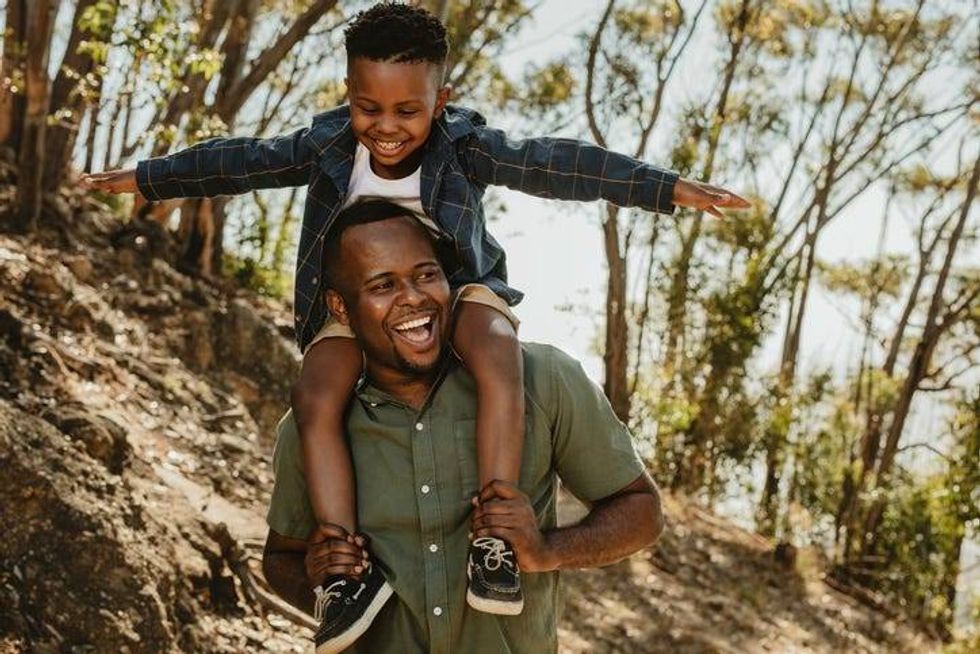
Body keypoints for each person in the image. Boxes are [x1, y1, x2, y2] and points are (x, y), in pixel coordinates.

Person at [82, 3, 747, 649]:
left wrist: (662, 188)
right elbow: (242, 161)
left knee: (497, 355)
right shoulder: (327, 146)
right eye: (370, 108)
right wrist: (149, 177)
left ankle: (493, 541)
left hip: (455, 292)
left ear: (442, 97)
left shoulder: (467, 147)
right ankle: (347, 581)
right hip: (362, 307)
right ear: (349, 95)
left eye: (409, 110)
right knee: (315, 396)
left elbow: (557, 163)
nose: (387, 127)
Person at [261, 199, 665, 654]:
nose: (414, 297)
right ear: (341, 306)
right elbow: (279, 559)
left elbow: (642, 512)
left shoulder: (544, 380)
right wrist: (316, 579)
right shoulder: (314, 429)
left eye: (426, 275)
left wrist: (547, 549)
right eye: (382, 285)